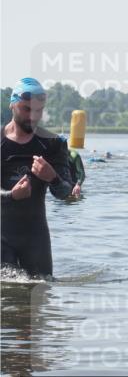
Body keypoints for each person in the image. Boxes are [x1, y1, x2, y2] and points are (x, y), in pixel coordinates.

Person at [1, 78, 73, 278]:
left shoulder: (53, 144)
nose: (33, 116)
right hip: (2, 236)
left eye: (39, 110)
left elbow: (65, 193)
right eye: (26, 109)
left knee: (41, 289)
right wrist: (11, 195)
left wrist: (53, 178)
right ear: (12, 105)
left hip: (36, 238)